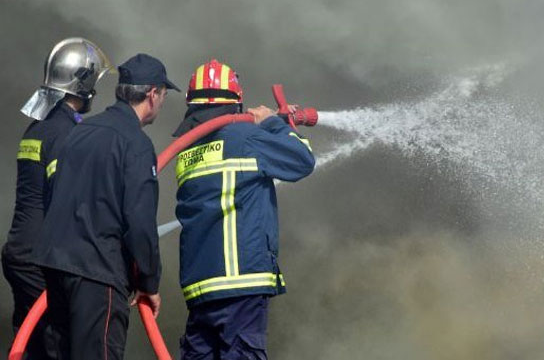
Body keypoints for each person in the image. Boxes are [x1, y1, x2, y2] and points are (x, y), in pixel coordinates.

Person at [33, 53, 179, 360]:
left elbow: (52, 192)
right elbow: (140, 223)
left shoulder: (80, 131)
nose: (162, 103)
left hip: (55, 265)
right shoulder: (136, 144)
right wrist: (149, 282)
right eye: (163, 95)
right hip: (98, 271)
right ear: (152, 95)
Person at [173, 59, 315, 359]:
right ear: (237, 102)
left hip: (200, 287)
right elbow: (302, 159)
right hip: (241, 282)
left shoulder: (187, 151)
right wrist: (273, 123)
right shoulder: (246, 138)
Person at [2, 37, 112, 359]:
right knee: (56, 347)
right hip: (41, 261)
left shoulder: (36, 128)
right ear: (84, 82)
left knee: (30, 343)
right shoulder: (66, 134)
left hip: (19, 253)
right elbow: (68, 201)